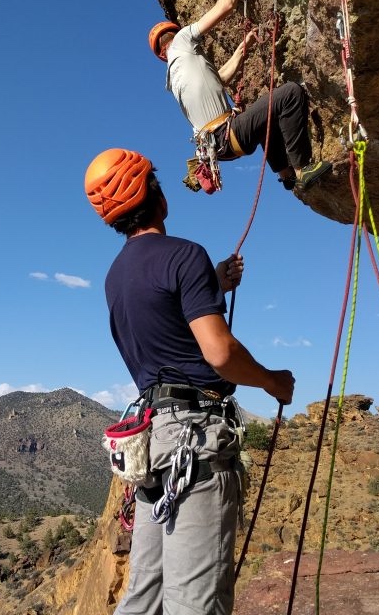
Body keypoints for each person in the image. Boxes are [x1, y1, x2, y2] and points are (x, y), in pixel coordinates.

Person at [84, 147, 296, 615]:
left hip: (151, 441)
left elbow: (160, 318)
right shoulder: (184, 256)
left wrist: (213, 285)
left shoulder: (115, 277)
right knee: (195, 602)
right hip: (194, 438)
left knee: (145, 595)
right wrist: (272, 382)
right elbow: (218, 352)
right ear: (154, 194)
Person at [148, 0, 332, 191]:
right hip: (226, 133)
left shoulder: (174, 76)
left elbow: (220, 79)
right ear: (175, 33)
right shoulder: (183, 40)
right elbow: (226, 5)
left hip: (221, 147)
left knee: (270, 115)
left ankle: (286, 176)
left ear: (161, 55)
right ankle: (302, 169)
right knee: (290, 94)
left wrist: (243, 47)